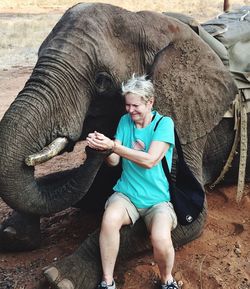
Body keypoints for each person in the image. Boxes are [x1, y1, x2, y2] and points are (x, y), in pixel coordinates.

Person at [87, 74, 179, 289]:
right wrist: (103, 148)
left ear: (150, 102)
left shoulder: (164, 124)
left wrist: (113, 146)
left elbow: (150, 160)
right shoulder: (124, 121)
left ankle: (167, 280)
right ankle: (107, 282)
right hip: (127, 194)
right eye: (127, 105)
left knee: (160, 238)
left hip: (158, 200)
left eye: (135, 106)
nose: (130, 110)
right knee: (109, 220)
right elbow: (114, 161)